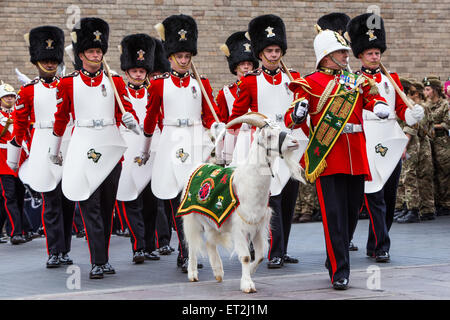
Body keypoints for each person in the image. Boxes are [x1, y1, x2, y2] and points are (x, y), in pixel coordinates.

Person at [284, 25, 391, 289]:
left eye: (345, 52)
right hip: (328, 156)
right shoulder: (308, 83)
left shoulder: (356, 80)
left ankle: (335, 258)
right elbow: (291, 117)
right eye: (341, 52)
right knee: (333, 216)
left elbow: (372, 97)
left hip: (355, 153)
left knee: (352, 214)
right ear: (326, 56)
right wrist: (297, 113)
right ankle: (340, 270)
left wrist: (378, 105)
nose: (347, 56)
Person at [51, 17, 139, 279]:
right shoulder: (68, 83)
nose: (96, 55)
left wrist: (131, 121)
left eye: (99, 51)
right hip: (83, 144)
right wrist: (55, 150)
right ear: (81, 55)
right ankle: (97, 261)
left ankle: (105, 257)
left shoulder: (115, 82)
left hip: (110, 145)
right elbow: (60, 118)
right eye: (91, 51)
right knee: (90, 206)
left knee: (107, 207)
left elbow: (128, 111)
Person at [142, 14, 222, 272]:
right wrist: (146, 149)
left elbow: (209, 116)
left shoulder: (202, 84)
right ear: (170, 57)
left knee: (196, 197)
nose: (184, 60)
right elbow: (151, 118)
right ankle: (186, 248)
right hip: (171, 140)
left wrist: (216, 129)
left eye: (188, 56)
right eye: (180, 56)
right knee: (177, 198)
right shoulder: (157, 86)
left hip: (196, 139)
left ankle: (190, 248)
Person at [228, 14, 308, 269]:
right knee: (270, 197)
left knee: (287, 198)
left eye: (277, 50)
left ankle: (281, 250)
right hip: (264, 147)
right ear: (260, 54)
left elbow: (303, 109)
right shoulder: (250, 80)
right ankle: (272, 250)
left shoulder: (294, 78)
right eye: (269, 51)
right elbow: (237, 117)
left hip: (290, 143)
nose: (273, 55)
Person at [347, 13, 424, 263]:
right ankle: (381, 246)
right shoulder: (353, 80)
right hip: (368, 139)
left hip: (390, 139)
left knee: (389, 197)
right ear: (360, 55)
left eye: (377, 52)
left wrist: (411, 114)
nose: (375, 56)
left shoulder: (393, 79)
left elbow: (400, 108)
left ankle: (375, 243)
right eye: (369, 53)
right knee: (374, 196)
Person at [8, 25, 76, 267]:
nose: (49, 64)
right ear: (37, 61)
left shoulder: (68, 85)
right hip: (41, 146)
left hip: (66, 144)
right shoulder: (27, 91)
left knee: (68, 202)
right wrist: (16, 158)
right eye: (45, 60)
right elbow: (20, 126)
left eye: (52, 60)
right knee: (51, 202)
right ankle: (54, 251)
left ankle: (65, 249)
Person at [116, 33, 161, 263]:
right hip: (128, 148)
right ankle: (138, 246)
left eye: (141, 71)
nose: (138, 74)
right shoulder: (119, 92)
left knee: (151, 201)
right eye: (134, 71)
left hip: (151, 147)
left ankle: (151, 245)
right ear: (127, 73)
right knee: (131, 198)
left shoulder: (155, 90)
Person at [395, 78, 436, 222]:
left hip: (411, 143)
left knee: (410, 176)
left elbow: (413, 126)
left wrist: (404, 145)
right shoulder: (403, 103)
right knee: (405, 177)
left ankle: (414, 209)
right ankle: (407, 207)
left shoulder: (411, 105)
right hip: (406, 142)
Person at [215, 31, 258, 165]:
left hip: (256, 139)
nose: (246, 67)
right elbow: (222, 124)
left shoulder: (259, 87)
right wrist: (222, 153)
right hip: (236, 141)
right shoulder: (225, 93)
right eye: (242, 64)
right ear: (235, 67)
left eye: (249, 64)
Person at [0, 83, 30, 245]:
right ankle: (15, 232)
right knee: (9, 197)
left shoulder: (19, 114)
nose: (10, 99)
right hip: (3, 161)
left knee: (19, 197)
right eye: (6, 97)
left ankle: (22, 230)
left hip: (19, 160)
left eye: (12, 96)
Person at [423, 77, 449, 216]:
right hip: (429, 142)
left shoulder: (445, 105)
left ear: (435, 90)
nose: (425, 92)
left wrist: (432, 126)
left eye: (428, 89)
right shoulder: (425, 105)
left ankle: (446, 203)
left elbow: (447, 123)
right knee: (431, 172)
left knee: (443, 173)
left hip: (442, 143)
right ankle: (437, 201)